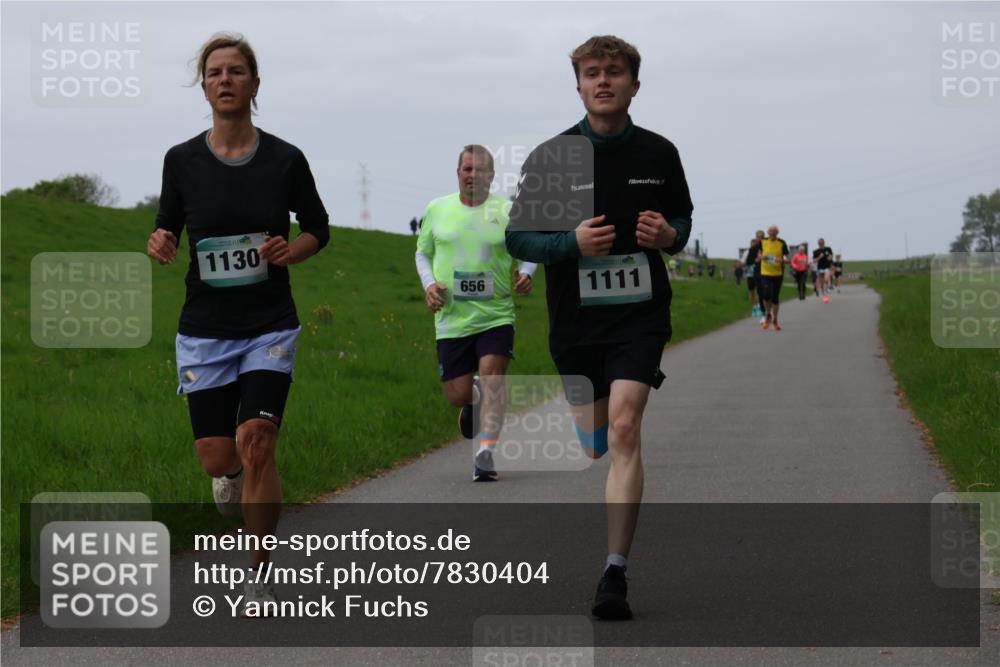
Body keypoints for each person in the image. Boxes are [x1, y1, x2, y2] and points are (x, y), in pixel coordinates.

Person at [506, 35, 693, 620]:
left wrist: (669, 237)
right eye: (592, 73)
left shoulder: (659, 153)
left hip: (640, 316)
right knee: (594, 444)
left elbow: (683, 218)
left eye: (614, 72)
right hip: (576, 323)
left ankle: (615, 573)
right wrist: (571, 243)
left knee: (624, 431)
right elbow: (517, 237)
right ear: (580, 85)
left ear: (635, 84)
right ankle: (598, 445)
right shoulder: (551, 157)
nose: (603, 81)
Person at [146, 33, 329, 616]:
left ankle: (258, 575)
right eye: (214, 72)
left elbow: (318, 227)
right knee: (217, 455)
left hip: (270, 324)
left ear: (254, 82)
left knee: (258, 443)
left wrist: (290, 252)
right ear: (203, 86)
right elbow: (166, 226)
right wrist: (161, 240)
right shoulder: (181, 159)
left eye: (236, 71)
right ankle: (225, 479)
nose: (225, 80)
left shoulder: (285, 159)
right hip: (204, 328)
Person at [416, 145, 536, 482]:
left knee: (492, 377)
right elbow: (422, 253)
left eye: (480, 170)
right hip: (452, 317)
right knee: (458, 394)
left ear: (492, 175)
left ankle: (484, 453)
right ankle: (472, 405)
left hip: (496, 313)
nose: (473, 175)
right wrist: (429, 285)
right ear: (458, 173)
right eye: (467, 169)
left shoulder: (508, 211)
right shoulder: (437, 209)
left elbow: (531, 248)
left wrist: (526, 274)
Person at [759, 225, 789, 330]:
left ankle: (775, 320)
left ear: (777, 233)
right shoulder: (762, 242)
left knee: (775, 297)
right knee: (766, 295)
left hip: (777, 273)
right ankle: (768, 314)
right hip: (765, 272)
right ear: (768, 232)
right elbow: (758, 256)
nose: (772, 233)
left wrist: (783, 260)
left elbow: (787, 257)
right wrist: (761, 257)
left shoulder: (781, 243)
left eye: (774, 232)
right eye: (770, 232)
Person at [743, 235, 763, 318]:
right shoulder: (747, 252)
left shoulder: (760, 251)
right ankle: (754, 307)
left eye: (755, 244)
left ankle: (759, 307)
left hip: (758, 273)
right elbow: (744, 261)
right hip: (750, 274)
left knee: (758, 290)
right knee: (751, 292)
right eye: (752, 244)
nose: (753, 245)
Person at [813, 238, 834, 303]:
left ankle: (829, 286)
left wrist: (829, 258)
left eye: (822, 243)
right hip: (820, 268)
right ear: (818, 243)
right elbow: (814, 261)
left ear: (824, 242)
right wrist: (820, 257)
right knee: (822, 285)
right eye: (819, 243)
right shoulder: (816, 251)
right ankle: (825, 297)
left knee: (826, 278)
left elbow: (831, 257)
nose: (821, 244)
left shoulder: (828, 249)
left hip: (827, 267)